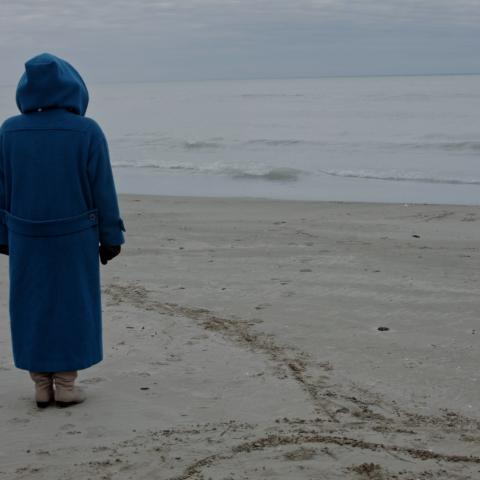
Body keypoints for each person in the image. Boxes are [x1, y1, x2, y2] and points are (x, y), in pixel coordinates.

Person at [0, 53, 125, 408]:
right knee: (73, 304)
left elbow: (1, 188)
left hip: (25, 234)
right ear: (73, 87)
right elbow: (103, 188)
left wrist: (3, 234)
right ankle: (67, 385)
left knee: (30, 304)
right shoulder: (86, 131)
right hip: (75, 235)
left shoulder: (9, 131)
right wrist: (111, 235)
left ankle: (41, 384)